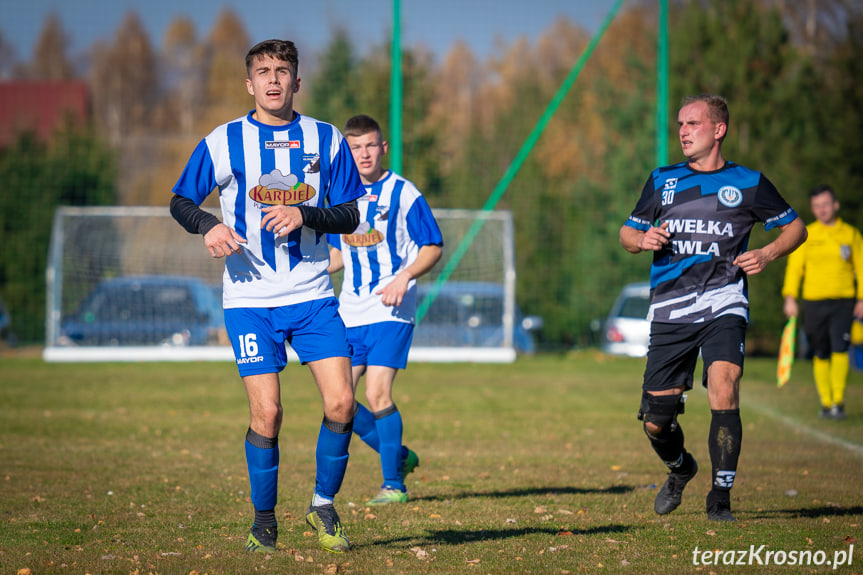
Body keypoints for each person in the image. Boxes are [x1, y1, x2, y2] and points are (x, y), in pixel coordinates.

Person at [169, 39, 366, 554]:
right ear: (249, 83)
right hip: (249, 300)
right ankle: (263, 520)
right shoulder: (223, 140)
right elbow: (181, 200)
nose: (274, 80)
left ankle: (322, 506)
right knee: (268, 414)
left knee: (343, 402)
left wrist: (308, 214)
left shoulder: (324, 138)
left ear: (297, 81)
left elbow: (350, 214)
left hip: (314, 296)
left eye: (283, 71)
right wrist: (208, 225)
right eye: (263, 71)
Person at [619, 94, 807, 522]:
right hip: (671, 308)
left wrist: (768, 253)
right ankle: (680, 468)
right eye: (680, 124)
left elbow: (796, 228)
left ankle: (720, 500)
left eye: (693, 124)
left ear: (718, 130)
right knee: (655, 420)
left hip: (724, 300)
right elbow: (627, 233)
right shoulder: (662, 180)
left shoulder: (749, 183)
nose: (683, 131)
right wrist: (641, 240)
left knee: (725, 386)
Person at [327, 114, 443, 505]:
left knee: (377, 394)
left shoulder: (404, 193)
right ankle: (401, 456)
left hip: (391, 310)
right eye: (355, 147)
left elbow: (432, 246)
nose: (363, 154)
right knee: (338, 398)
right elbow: (336, 254)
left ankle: (393, 485)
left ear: (383, 148)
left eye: (370, 146)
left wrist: (403, 278)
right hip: (349, 311)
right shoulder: (339, 194)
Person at [781, 185, 863, 420]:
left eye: (825, 204)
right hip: (813, 302)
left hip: (844, 301)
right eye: (817, 206)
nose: (822, 209)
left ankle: (838, 401)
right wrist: (790, 297)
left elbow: (861, 267)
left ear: (835, 205)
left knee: (840, 347)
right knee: (821, 350)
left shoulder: (851, 234)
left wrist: (861, 298)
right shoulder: (806, 234)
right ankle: (825, 402)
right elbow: (795, 269)